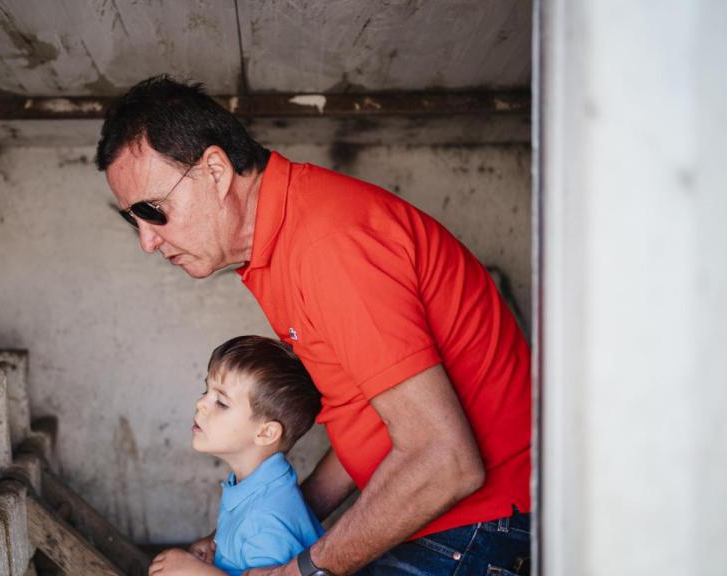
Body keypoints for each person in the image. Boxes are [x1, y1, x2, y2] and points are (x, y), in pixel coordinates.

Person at [97, 76, 532, 576]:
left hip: (480, 526)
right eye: (135, 221)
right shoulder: (279, 246)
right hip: (444, 515)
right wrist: (262, 522)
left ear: (215, 171)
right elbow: (366, 420)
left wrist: (297, 571)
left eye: (155, 212)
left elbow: (444, 460)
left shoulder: (328, 247)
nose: (148, 242)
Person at [149, 335, 324, 576]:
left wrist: (198, 573)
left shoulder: (265, 521)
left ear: (265, 433)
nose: (201, 402)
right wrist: (219, 545)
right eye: (206, 391)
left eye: (221, 402)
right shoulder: (254, 485)